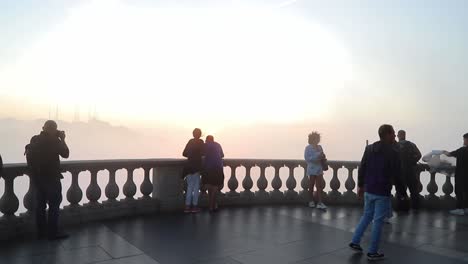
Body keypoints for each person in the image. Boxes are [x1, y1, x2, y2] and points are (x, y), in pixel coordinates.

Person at [349, 124, 403, 261]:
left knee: (366, 216)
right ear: (387, 135)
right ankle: (372, 252)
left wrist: (360, 186)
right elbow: (397, 174)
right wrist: (402, 192)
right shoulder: (393, 152)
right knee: (378, 222)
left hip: (369, 189)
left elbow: (362, 168)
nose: (395, 136)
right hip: (382, 191)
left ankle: (355, 241)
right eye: (393, 134)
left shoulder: (369, 149)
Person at [25, 120, 69, 240]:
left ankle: (41, 232)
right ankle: (52, 232)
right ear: (54, 129)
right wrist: (62, 139)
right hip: (52, 178)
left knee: (40, 206)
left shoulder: (34, 139)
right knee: (54, 205)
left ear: (43, 128)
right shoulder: (54, 141)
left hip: (37, 179)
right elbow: (66, 154)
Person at [443, 133, 468, 216]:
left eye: (464, 139)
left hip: (461, 175)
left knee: (459, 191)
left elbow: (449, 154)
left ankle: (460, 209)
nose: (463, 141)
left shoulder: (462, 150)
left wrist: (443, 152)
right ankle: (466, 208)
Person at [397, 130, 422, 211]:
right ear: (405, 135)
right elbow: (419, 155)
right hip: (411, 171)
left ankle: (402, 207)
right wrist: (412, 161)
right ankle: (415, 208)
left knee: (401, 191)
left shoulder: (395, 145)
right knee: (414, 190)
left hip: (400, 172)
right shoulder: (411, 144)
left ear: (398, 136)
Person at [182, 128, 204, 213]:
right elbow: (204, 153)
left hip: (188, 167)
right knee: (196, 188)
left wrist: (190, 155)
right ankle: (194, 207)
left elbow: (184, 153)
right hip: (197, 167)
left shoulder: (190, 141)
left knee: (189, 187)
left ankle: (187, 207)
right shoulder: (201, 142)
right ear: (200, 134)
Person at [304, 131, 327, 210]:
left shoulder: (320, 147)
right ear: (313, 139)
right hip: (312, 168)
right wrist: (317, 156)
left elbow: (322, 156)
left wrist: (322, 156)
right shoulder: (308, 148)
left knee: (319, 186)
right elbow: (307, 158)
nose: (319, 139)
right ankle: (311, 201)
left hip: (319, 168)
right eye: (317, 138)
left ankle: (320, 202)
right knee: (311, 185)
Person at [203, 135, 225, 212]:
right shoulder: (218, 144)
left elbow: (202, 154)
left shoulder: (205, 145)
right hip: (218, 167)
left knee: (210, 186)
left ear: (207, 140)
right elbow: (222, 155)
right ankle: (214, 205)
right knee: (215, 187)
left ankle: (211, 206)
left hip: (209, 168)